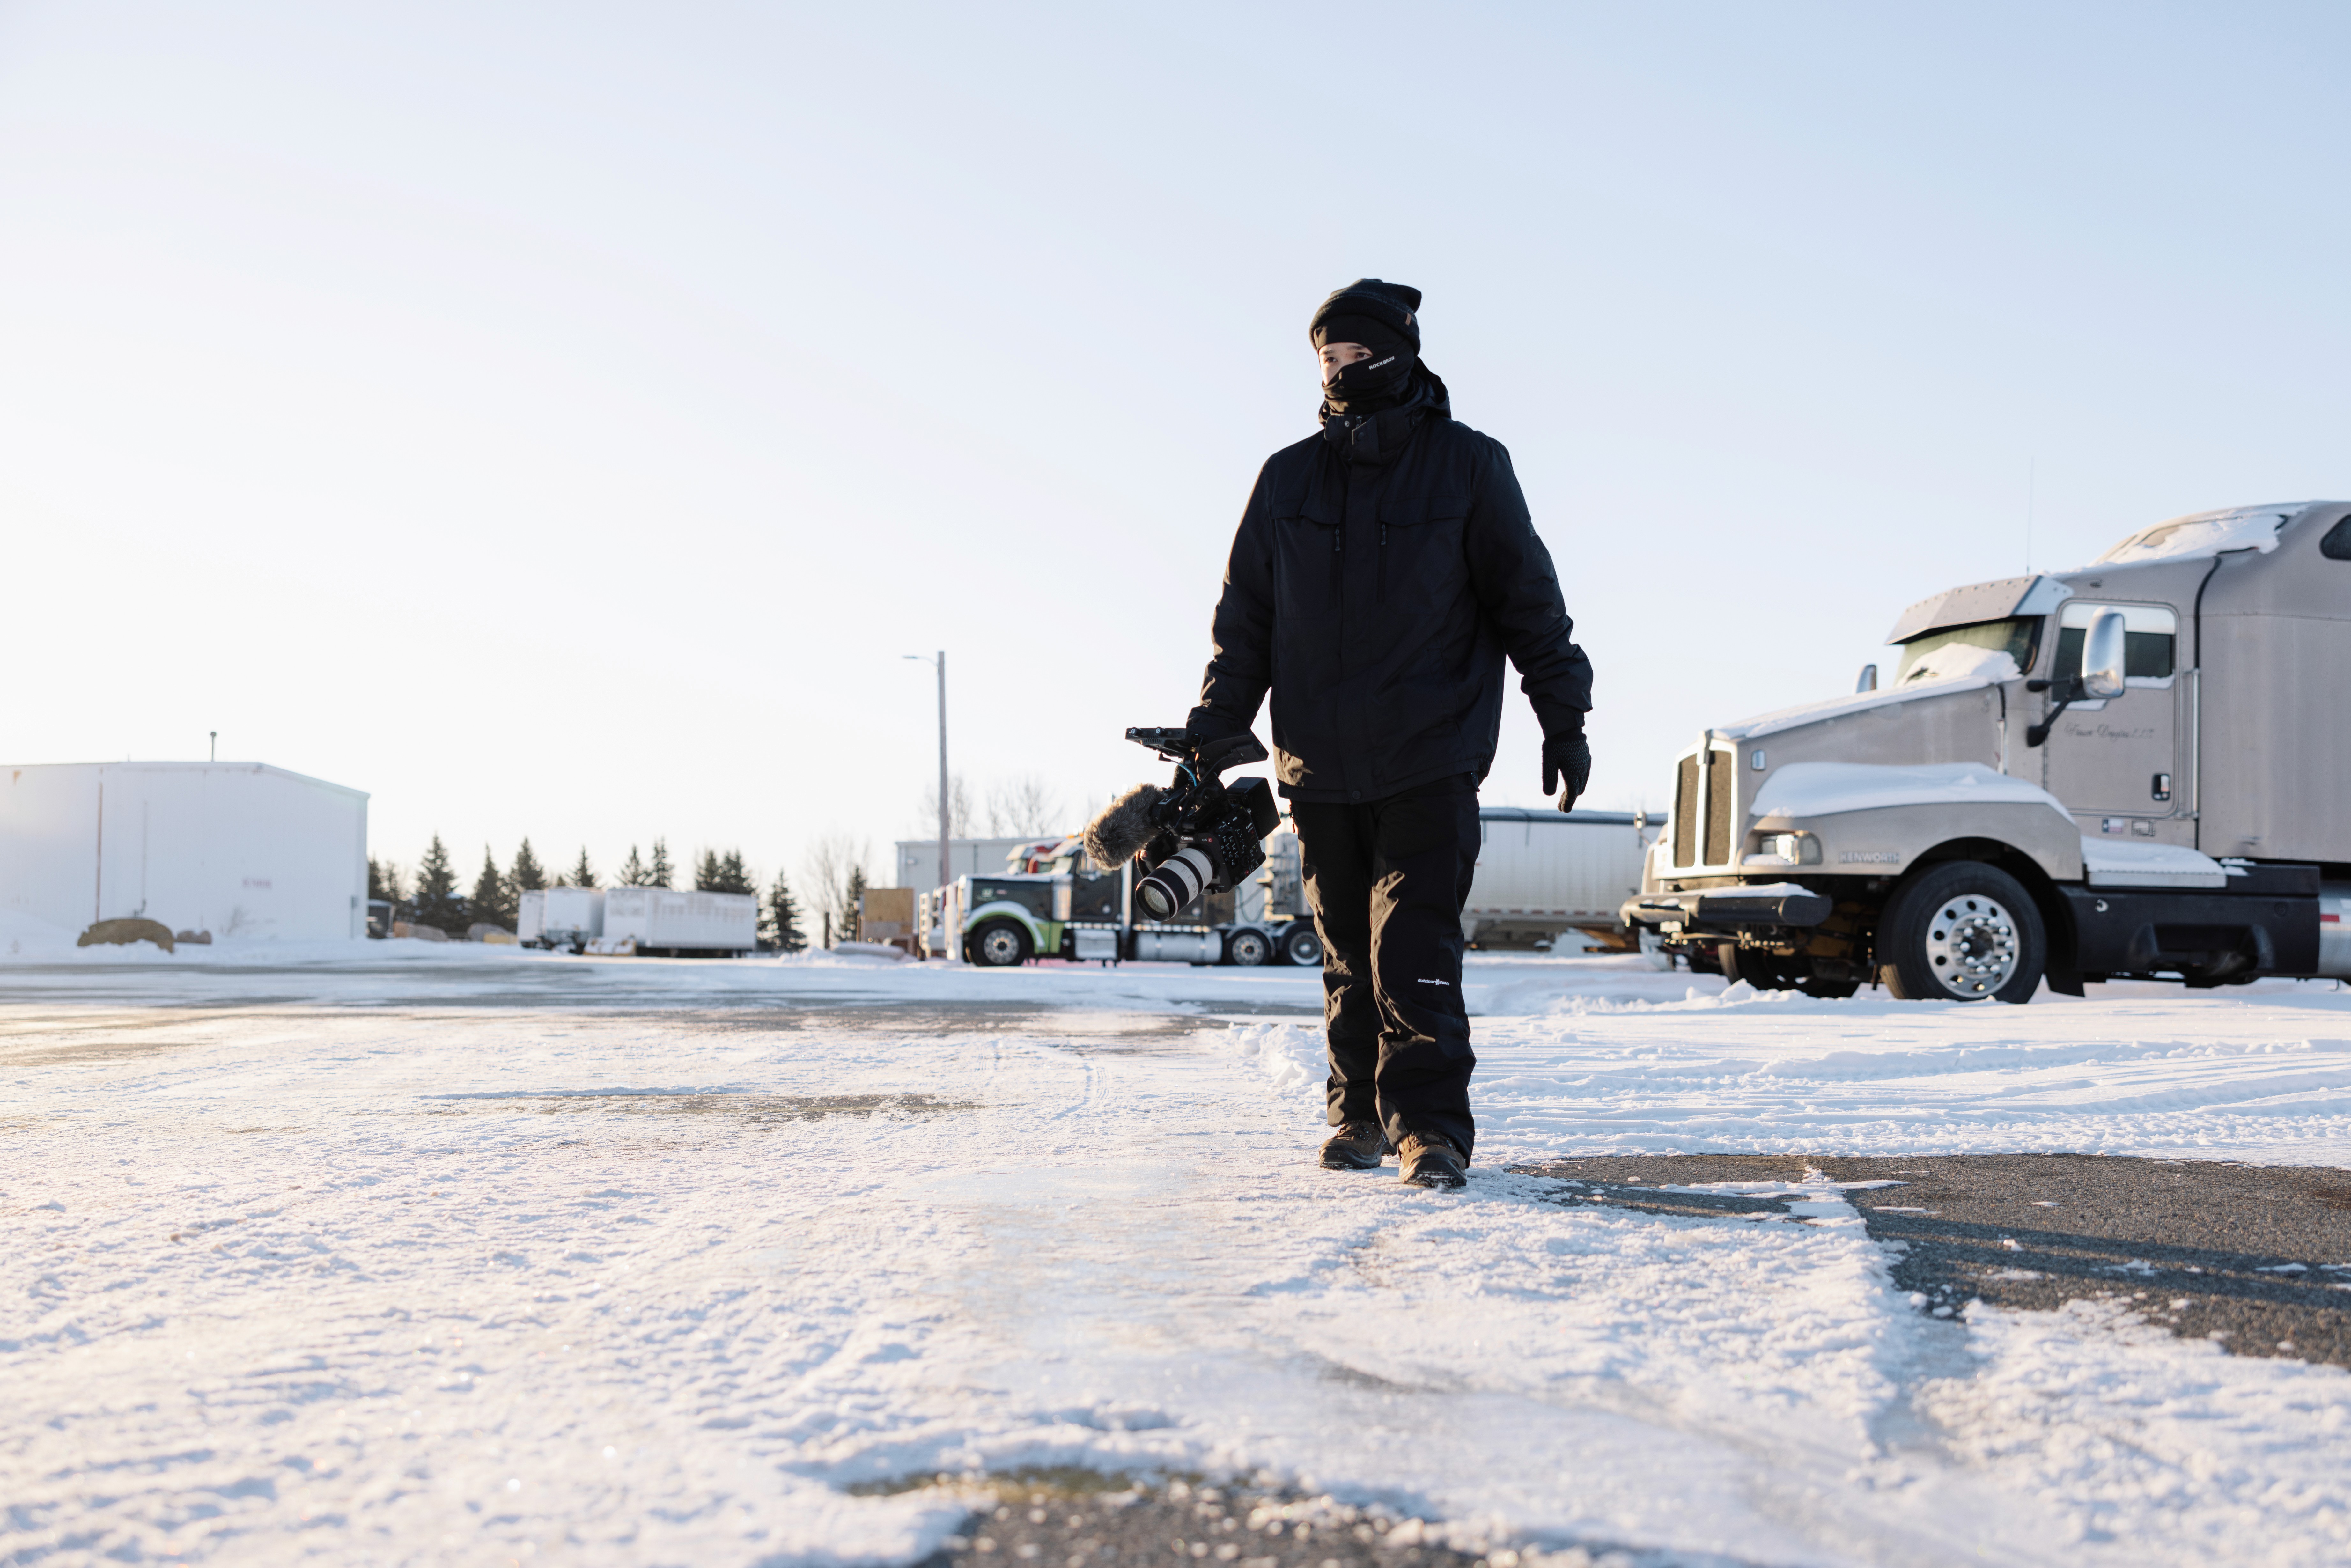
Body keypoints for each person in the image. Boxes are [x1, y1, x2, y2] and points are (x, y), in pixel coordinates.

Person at [1181, 279, 1594, 1189]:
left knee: (1411, 951)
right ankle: (1357, 1118)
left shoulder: (1469, 467)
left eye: (1355, 355)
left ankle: (1430, 1133)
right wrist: (1216, 723)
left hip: (1431, 753)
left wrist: (1561, 715)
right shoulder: (1287, 477)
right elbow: (1244, 616)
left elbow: (1528, 600)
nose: (1340, 372)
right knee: (1344, 959)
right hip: (1318, 764)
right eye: (1327, 360)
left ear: (1398, 353)